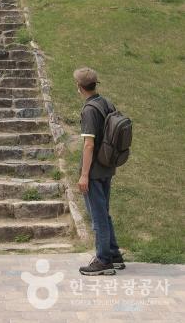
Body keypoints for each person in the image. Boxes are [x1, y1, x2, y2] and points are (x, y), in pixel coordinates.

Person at [74, 67, 125, 276]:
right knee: (104, 212)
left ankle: (103, 260)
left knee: (98, 217)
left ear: (79, 87)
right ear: (95, 84)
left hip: (94, 171)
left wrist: (84, 175)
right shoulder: (106, 102)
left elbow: (88, 145)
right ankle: (114, 254)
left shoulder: (89, 110)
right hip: (107, 166)